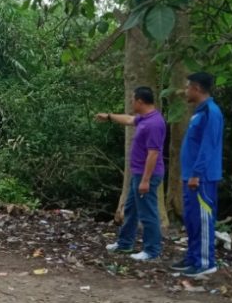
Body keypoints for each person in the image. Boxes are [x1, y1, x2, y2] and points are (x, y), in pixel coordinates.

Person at [95, 86, 166, 261]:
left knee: (148, 213)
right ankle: (125, 243)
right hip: (137, 173)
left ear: (140, 101)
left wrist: (145, 180)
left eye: (132, 100)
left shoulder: (155, 123)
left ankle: (151, 251)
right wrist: (110, 117)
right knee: (131, 209)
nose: (131, 103)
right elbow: (129, 120)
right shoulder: (144, 118)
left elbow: (153, 153)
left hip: (146, 175)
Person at [170, 72, 224, 277]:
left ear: (197, 88)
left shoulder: (212, 112)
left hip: (202, 178)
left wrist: (197, 174)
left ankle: (205, 262)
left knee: (202, 219)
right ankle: (193, 256)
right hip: (190, 176)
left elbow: (208, 147)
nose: (185, 91)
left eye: (187, 87)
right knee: (191, 219)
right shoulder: (198, 112)